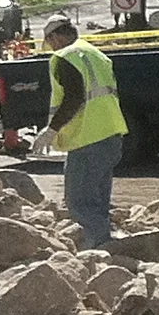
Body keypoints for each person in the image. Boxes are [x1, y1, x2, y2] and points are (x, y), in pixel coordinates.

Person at [40, 15, 128, 250]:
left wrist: (52, 130)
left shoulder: (66, 57)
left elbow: (74, 98)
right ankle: (105, 247)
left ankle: (95, 251)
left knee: (79, 201)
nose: (51, 48)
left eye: (49, 42)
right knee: (98, 199)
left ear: (55, 37)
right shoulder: (96, 54)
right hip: (111, 133)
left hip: (87, 137)